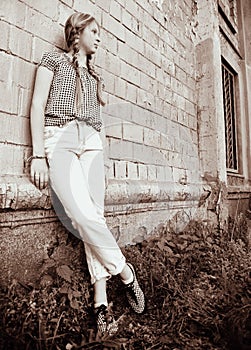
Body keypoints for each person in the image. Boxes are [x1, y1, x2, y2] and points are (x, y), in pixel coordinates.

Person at [29, 12, 145, 335]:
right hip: (60, 137)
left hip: (91, 142)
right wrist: (37, 155)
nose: (99, 38)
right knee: (81, 215)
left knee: (96, 214)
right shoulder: (52, 59)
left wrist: (100, 152)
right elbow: (38, 105)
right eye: (94, 31)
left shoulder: (96, 78)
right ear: (76, 33)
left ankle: (100, 302)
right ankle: (126, 273)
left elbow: (99, 124)